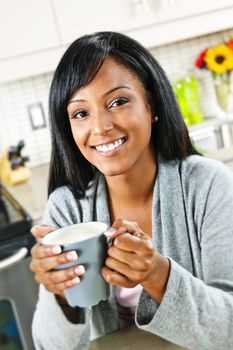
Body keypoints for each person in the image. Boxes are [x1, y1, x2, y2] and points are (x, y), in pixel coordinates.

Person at [29, 31, 233, 350]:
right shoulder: (66, 209)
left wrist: (158, 276)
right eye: (81, 113)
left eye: (118, 102)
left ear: (151, 105)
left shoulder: (207, 185)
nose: (100, 127)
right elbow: (47, 346)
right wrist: (60, 297)